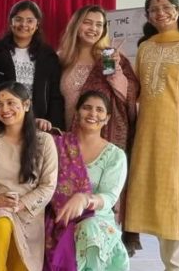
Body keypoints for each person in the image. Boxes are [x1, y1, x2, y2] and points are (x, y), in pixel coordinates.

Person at [126, 0, 179, 271]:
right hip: (150, 141)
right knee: (162, 208)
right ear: (148, 16)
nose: (159, 12)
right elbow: (136, 93)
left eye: (165, 7)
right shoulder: (145, 47)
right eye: (153, 9)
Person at [56, 5, 140, 255]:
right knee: (69, 198)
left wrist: (115, 73)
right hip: (69, 140)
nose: (93, 28)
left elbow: (131, 95)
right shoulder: (62, 58)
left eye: (99, 24)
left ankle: (102, 250)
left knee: (99, 199)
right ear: (76, 25)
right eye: (88, 22)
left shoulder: (109, 56)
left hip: (104, 134)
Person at [0, 82, 58, 271]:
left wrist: (21, 204)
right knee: (1, 225)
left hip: (28, 211)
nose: (4, 109)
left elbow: (48, 186)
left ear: (26, 105)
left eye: (11, 103)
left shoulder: (44, 141)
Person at [44, 91, 129, 271]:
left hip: (97, 221)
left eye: (100, 110)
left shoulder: (115, 156)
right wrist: (34, 126)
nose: (93, 114)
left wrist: (85, 200)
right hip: (59, 218)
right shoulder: (58, 145)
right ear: (76, 112)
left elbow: (109, 197)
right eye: (87, 108)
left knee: (89, 228)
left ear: (107, 118)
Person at [0, 0, 63, 132]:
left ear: (37, 24)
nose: (24, 24)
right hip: (1, 122)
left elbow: (55, 95)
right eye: (18, 19)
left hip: (37, 125)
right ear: (11, 22)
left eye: (29, 20)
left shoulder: (48, 56)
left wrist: (52, 124)